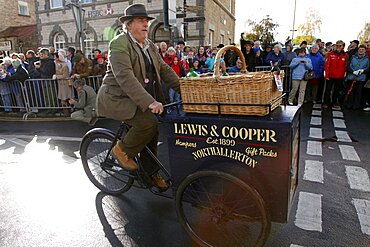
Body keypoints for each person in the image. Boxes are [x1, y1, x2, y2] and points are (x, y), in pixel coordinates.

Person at [96, 4, 180, 190]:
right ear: (128, 24)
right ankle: (122, 150)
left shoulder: (149, 45)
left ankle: (150, 174)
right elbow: (125, 78)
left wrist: (186, 88)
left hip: (136, 97)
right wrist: (150, 102)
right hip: (117, 97)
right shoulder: (119, 43)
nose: (146, 25)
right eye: (141, 21)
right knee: (148, 123)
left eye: (146, 21)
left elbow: (164, 70)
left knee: (152, 130)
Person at [323, 40, 349, 108]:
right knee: (328, 90)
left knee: (336, 90)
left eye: (340, 46)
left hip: (340, 76)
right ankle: (325, 102)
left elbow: (346, 65)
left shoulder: (345, 55)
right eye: (337, 45)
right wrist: (327, 75)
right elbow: (327, 65)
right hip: (330, 75)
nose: (338, 47)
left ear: (343, 47)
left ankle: (334, 102)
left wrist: (344, 74)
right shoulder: (330, 54)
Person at [344, 44, 369, 110]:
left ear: (365, 51)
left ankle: (356, 105)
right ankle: (349, 104)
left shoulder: (367, 59)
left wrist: (363, 70)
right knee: (351, 91)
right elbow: (348, 66)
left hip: (361, 78)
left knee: (358, 92)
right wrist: (353, 71)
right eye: (360, 49)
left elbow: (368, 68)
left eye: (362, 50)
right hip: (352, 77)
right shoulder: (353, 57)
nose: (361, 51)